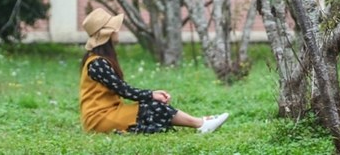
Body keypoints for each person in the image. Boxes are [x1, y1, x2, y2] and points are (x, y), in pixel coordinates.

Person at [79, 8, 229, 135]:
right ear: (108, 34)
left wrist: (151, 95)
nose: (118, 32)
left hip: (111, 113)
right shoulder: (97, 63)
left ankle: (201, 122)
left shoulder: (100, 60)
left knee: (152, 111)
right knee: (153, 107)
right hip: (100, 119)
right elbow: (123, 90)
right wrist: (151, 95)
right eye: (115, 29)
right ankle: (200, 124)